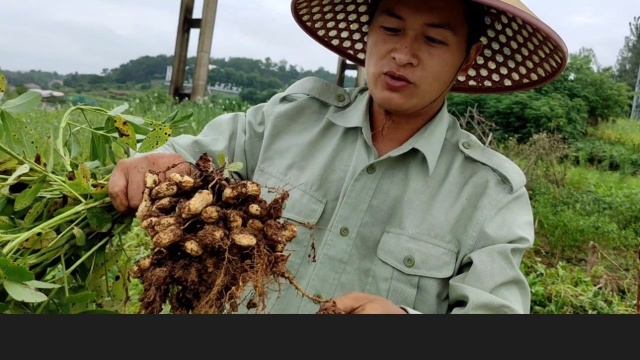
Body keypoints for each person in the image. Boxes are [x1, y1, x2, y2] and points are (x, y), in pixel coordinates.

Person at [108, 0, 568, 314]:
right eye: (390, 29)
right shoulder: (289, 119)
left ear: (469, 59)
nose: (403, 54)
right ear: (367, 35)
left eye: (433, 40)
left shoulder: (490, 192)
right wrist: (158, 161)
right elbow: (189, 156)